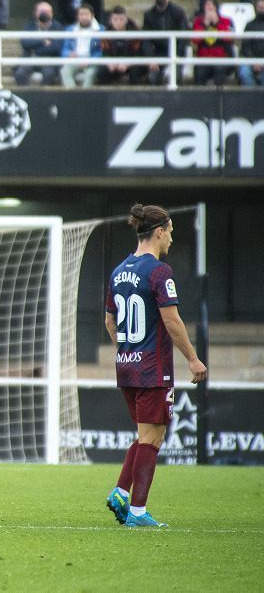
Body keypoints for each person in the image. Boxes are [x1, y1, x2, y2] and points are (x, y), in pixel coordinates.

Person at [104, 204, 207, 528]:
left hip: (127, 364)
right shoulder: (159, 271)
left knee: (144, 434)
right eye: (171, 232)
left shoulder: (119, 270)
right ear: (160, 231)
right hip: (153, 367)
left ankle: (121, 492)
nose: (172, 239)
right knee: (152, 438)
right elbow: (171, 318)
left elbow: (110, 320)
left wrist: (125, 349)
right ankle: (136, 511)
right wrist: (192, 357)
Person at [142, 0, 188, 86]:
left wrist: (176, 57)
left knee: (174, 77)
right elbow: (146, 39)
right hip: (159, 52)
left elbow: (184, 37)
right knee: (153, 77)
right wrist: (150, 58)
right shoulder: (148, 14)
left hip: (177, 52)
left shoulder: (178, 12)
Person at [14, 1, 64, 86]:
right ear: (35, 13)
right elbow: (25, 43)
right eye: (41, 11)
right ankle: (26, 96)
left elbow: (56, 48)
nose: (44, 14)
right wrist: (42, 41)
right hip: (31, 58)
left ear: (52, 13)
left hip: (49, 59)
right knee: (20, 74)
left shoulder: (58, 27)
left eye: (47, 11)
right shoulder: (29, 26)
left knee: (49, 74)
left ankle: (44, 98)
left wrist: (36, 49)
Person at [191, 0, 235, 85]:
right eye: (206, 6)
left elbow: (229, 38)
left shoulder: (226, 21)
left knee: (219, 70)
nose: (209, 8)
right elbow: (195, 40)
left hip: (221, 57)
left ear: (216, 8)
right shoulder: (198, 21)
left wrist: (217, 23)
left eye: (211, 6)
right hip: (203, 58)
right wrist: (205, 24)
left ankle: (219, 97)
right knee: (200, 72)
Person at [98, 5, 145, 85]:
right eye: (115, 19)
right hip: (114, 63)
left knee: (136, 71)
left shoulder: (135, 31)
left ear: (126, 20)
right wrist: (109, 62)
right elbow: (105, 52)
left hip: (131, 63)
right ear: (110, 20)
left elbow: (138, 52)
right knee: (102, 71)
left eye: (121, 19)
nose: (118, 22)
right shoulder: (106, 33)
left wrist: (128, 63)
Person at [60, 3, 103, 88]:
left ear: (92, 15)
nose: (84, 17)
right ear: (77, 16)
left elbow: (101, 51)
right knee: (64, 71)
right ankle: (73, 95)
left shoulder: (101, 30)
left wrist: (90, 61)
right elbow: (64, 49)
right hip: (74, 60)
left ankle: (85, 97)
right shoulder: (70, 29)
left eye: (86, 14)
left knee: (90, 74)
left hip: (91, 61)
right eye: (81, 14)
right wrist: (69, 54)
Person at [237, 0, 264, 86]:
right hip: (250, 59)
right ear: (256, 9)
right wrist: (254, 62)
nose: (262, 10)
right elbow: (245, 46)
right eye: (260, 8)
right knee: (244, 73)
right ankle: (251, 98)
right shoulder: (250, 25)